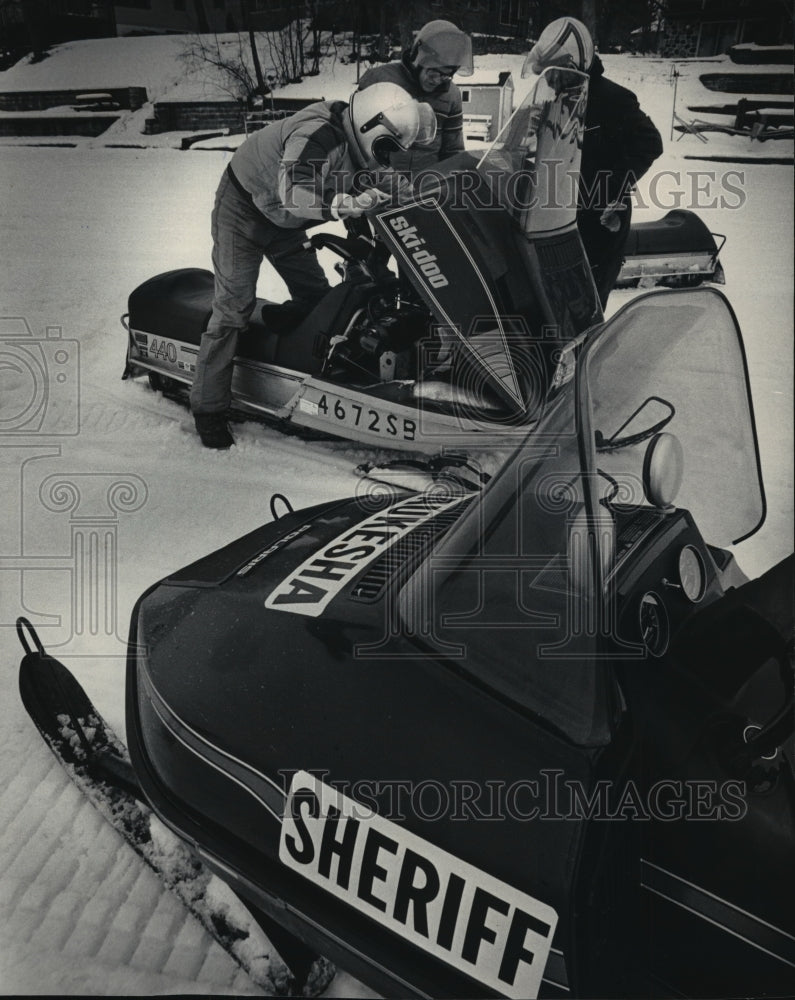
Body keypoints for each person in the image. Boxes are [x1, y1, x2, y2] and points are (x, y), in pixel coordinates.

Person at [190, 83, 435, 448]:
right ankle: (208, 410)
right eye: (387, 147)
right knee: (232, 309)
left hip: (287, 222)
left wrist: (427, 200)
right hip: (243, 210)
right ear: (371, 127)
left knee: (318, 299)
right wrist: (341, 206)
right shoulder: (318, 132)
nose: (387, 157)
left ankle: (291, 363)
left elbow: (391, 184)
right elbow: (294, 190)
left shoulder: (362, 145)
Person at [525, 17, 663, 307]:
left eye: (555, 75)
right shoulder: (561, 98)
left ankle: (589, 347)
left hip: (603, 216)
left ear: (572, 66)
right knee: (558, 296)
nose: (550, 82)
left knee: (589, 297)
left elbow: (651, 143)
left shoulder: (614, 99)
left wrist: (612, 186)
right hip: (563, 209)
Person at [357, 19, 473, 172]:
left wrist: (451, 181)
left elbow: (452, 151)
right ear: (418, 60)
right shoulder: (379, 81)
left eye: (445, 76)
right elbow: (355, 136)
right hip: (380, 183)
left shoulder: (451, 95)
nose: (437, 81)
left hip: (426, 186)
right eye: (433, 74)